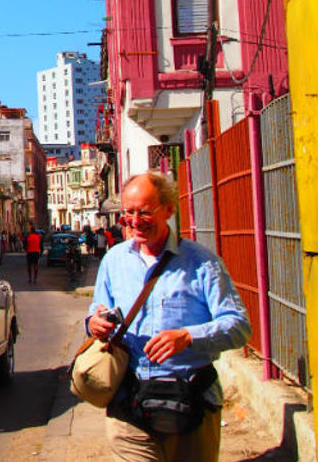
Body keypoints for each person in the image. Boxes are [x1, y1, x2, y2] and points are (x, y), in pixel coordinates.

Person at [87, 172, 250, 461]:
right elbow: (98, 310)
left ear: (169, 209)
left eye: (145, 212)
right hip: (130, 404)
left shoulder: (202, 263)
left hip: (191, 401)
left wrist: (188, 337)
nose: (134, 222)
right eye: (128, 213)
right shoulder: (114, 260)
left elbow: (238, 326)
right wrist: (94, 324)